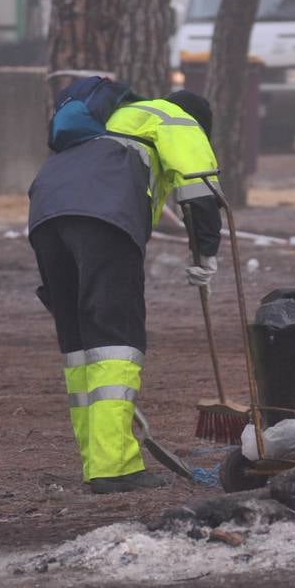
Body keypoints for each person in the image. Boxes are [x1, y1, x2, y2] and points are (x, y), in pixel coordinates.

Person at [28, 90, 223, 493]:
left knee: (81, 346)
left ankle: (98, 462)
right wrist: (206, 253)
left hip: (46, 213)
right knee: (116, 341)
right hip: (103, 219)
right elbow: (200, 186)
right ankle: (114, 468)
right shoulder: (176, 119)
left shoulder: (111, 123)